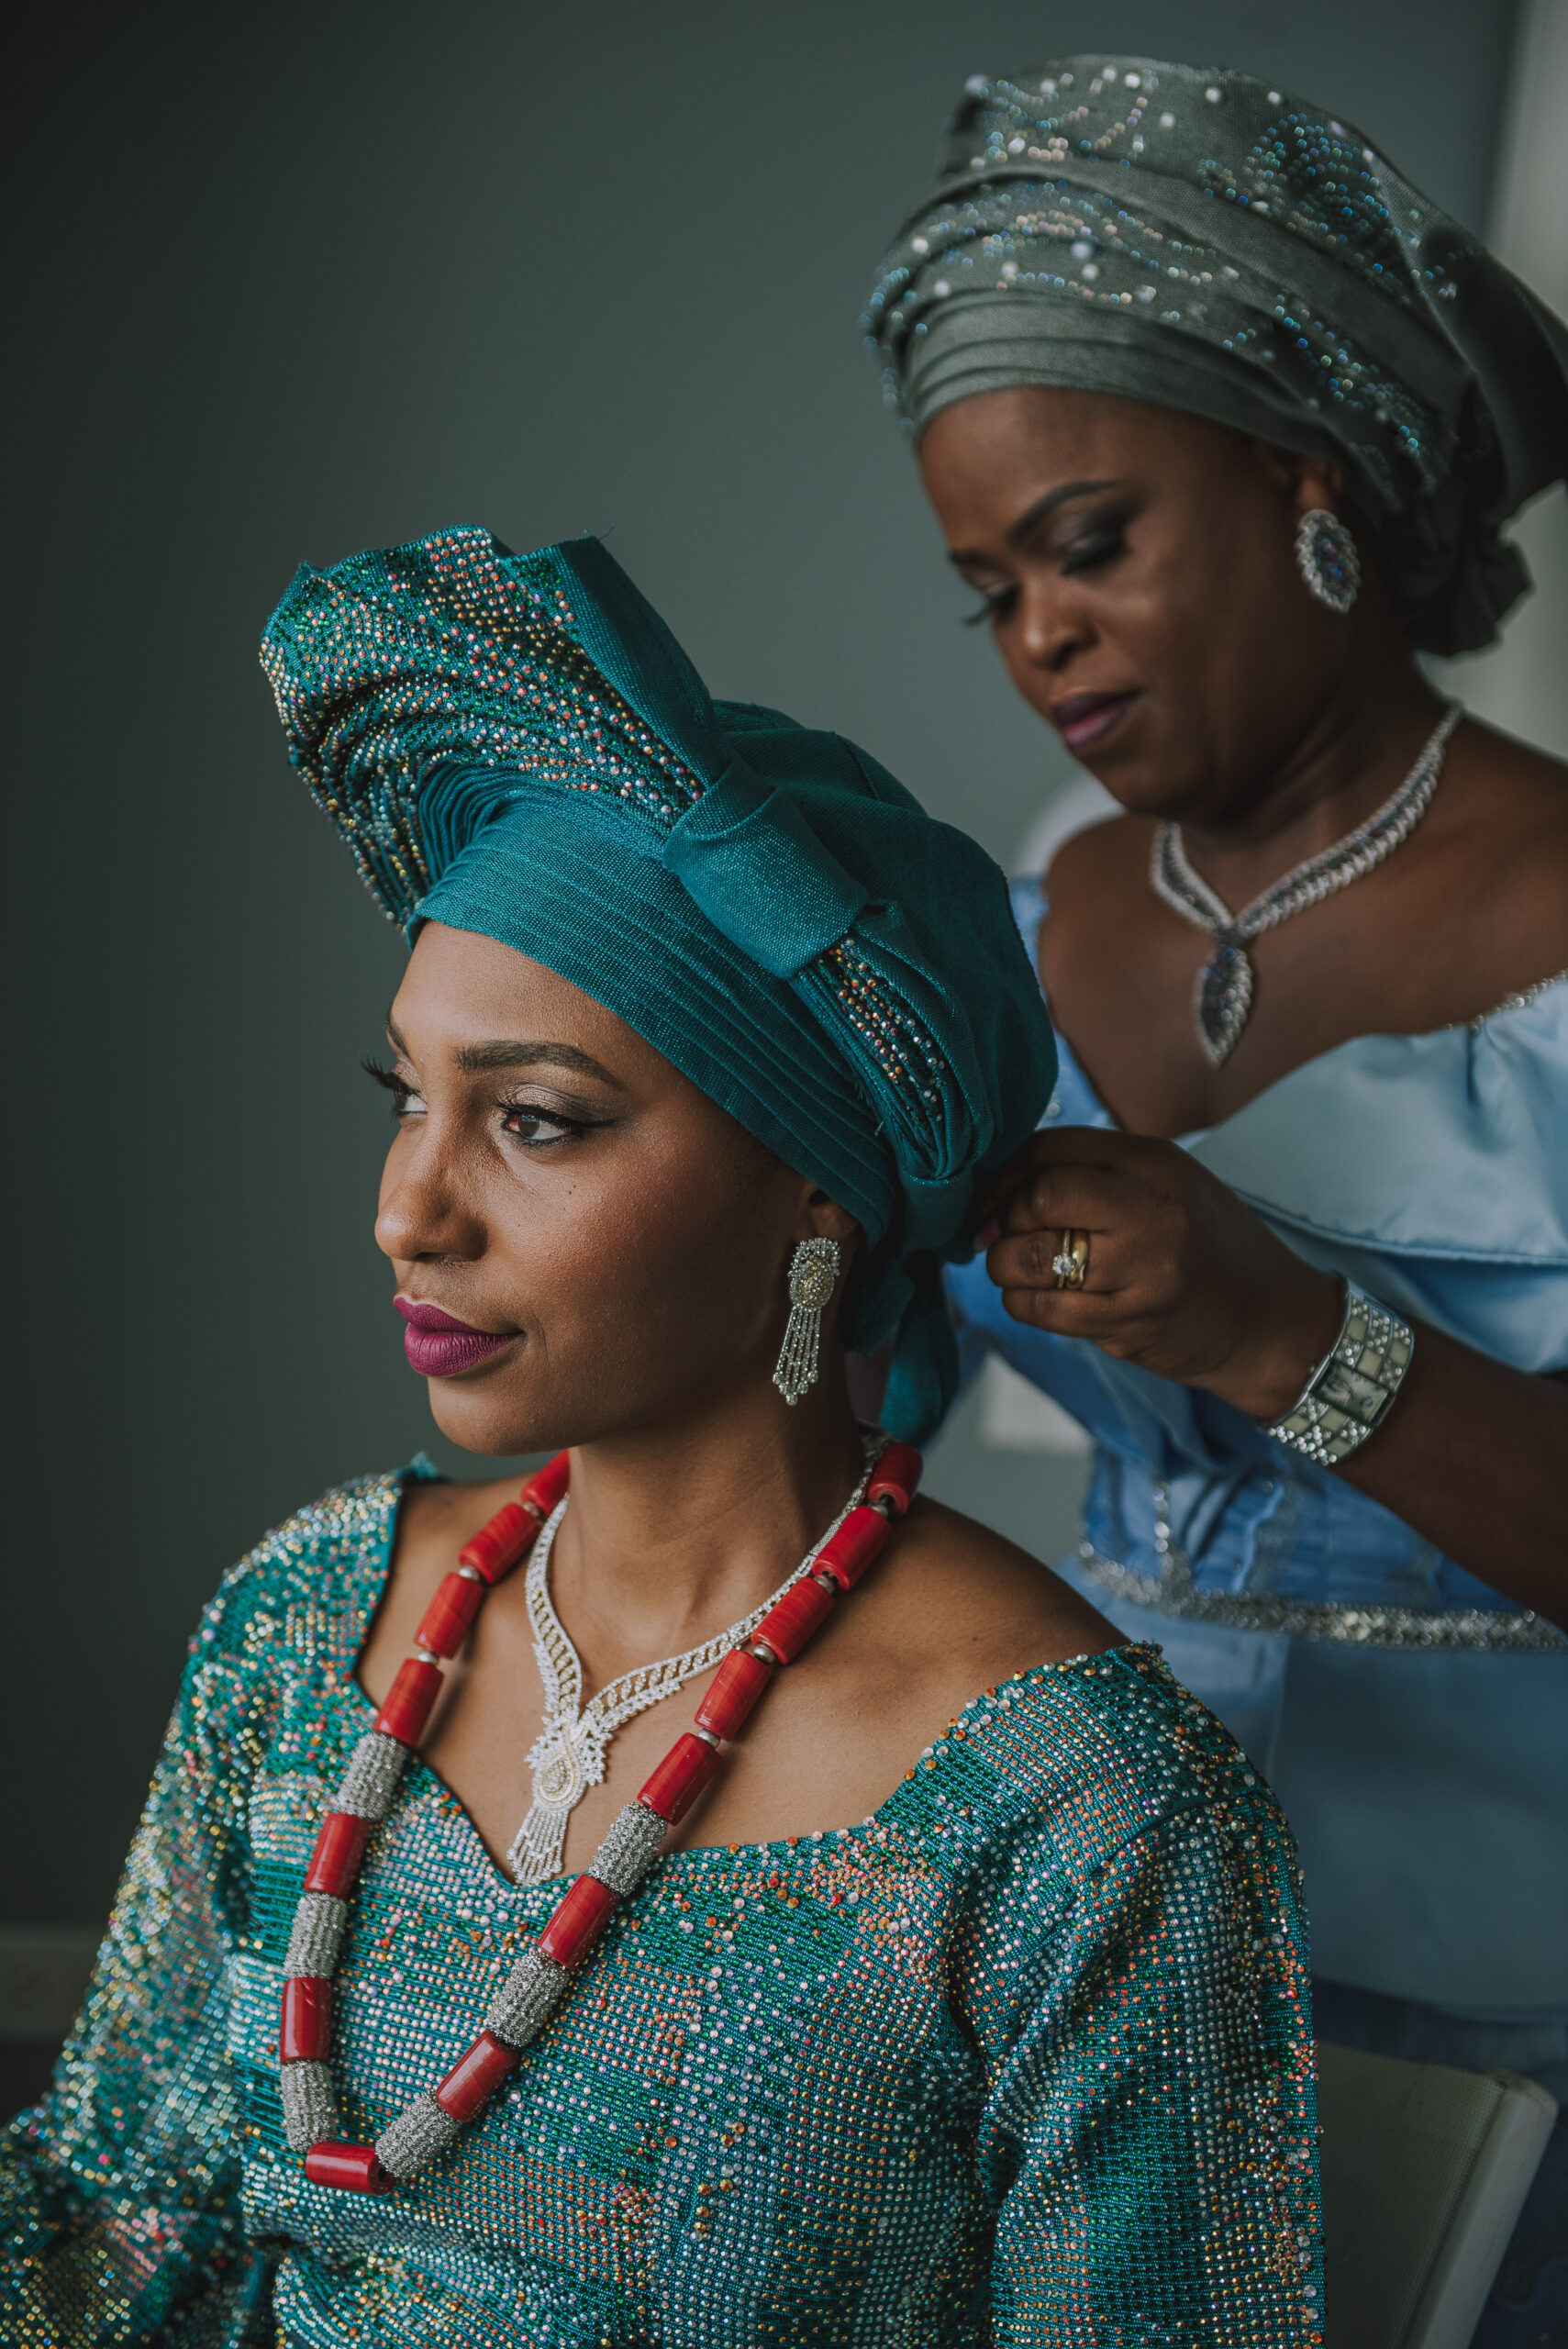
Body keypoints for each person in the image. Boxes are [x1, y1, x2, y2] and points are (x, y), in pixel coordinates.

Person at [0, 525, 1321, 2343]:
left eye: (536, 1116)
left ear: (815, 1197)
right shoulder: (308, 1620)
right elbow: (100, 2218)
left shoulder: (1087, 1818)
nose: (410, 1207)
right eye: (406, 1093)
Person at [863, 50, 1568, 2333]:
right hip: (1086, 1954)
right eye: (988, 587)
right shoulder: (1023, 900)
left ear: (1316, 486)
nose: (1038, 636)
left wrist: (1284, 1330)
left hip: (1522, 1987)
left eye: (1091, 542)